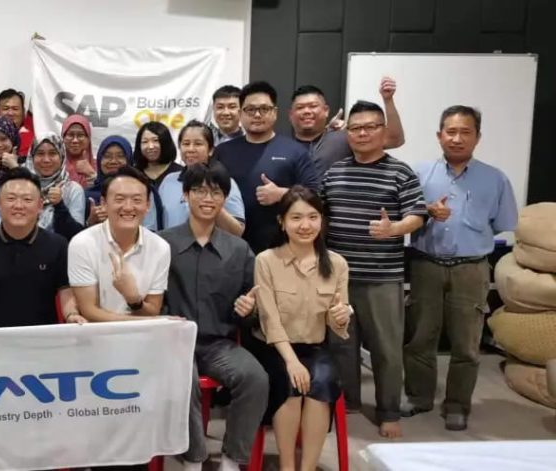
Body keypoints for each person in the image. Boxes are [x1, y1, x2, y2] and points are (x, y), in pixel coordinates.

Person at [404, 105, 518, 431]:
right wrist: (426, 212)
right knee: (420, 337)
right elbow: (405, 215)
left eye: (465, 132)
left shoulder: (495, 179)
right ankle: (419, 397)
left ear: (477, 137)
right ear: (439, 135)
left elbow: (501, 223)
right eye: (450, 131)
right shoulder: (419, 174)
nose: (457, 138)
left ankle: (457, 404)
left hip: (471, 268)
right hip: (426, 264)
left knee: (467, 343)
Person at [321, 100, 427, 438]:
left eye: (370, 127)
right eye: (355, 128)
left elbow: (417, 215)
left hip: (382, 277)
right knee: (342, 345)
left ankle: (389, 411)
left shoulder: (400, 172)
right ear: (347, 134)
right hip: (338, 278)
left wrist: (394, 229)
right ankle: (349, 402)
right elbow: (318, 212)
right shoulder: (335, 172)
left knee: (386, 348)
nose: (362, 133)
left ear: (383, 131)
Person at [159, 164, 267, 471]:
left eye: (216, 192)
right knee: (183, 381)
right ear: (185, 195)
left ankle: (231, 460)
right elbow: (153, 300)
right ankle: (194, 460)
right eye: (199, 191)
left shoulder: (239, 250)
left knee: (255, 378)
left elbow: (251, 307)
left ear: (225, 199)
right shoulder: (162, 244)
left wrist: (248, 311)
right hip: (174, 342)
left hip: (219, 343)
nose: (208, 199)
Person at [251, 186, 351, 471]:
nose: (305, 225)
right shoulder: (266, 261)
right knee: (291, 383)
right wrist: (292, 361)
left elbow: (338, 321)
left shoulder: (337, 264)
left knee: (322, 382)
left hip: (315, 346)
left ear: (322, 221)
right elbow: (269, 319)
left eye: (312, 217)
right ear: (282, 222)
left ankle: (307, 467)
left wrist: (341, 316)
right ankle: (287, 466)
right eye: (296, 218)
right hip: (274, 347)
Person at [0, 168, 83, 328]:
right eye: (11, 198)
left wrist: (71, 315)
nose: (18, 206)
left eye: (27, 199)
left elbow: (66, 293)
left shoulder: (58, 245)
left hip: (42, 336)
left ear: (40, 205)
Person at [216, 81, 320, 254]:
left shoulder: (295, 151)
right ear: (241, 114)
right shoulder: (223, 152)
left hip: (282, 249)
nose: (257, 115)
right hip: (230, 249)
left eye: (264, 109)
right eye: (250, 109)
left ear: (275, 113)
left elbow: (315, 196)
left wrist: (282, 194)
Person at [69, 166, 169, 323]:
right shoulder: (82, 244)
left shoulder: (160, 247)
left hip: (142, 336)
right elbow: (89, 311)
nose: (128, 207)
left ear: (148, 205)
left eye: (137, 200)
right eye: (119, 199)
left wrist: (133, 299)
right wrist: (159, 321)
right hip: (97, 335)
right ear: (104, 203)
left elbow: (153, 310)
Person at [290, 79, 406, 177]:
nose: (307, 111)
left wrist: (388, 100)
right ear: (290, 114)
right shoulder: (284, 146)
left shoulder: (346, 137)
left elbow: (395, 140)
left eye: (313, 106)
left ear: (326, 111)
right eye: (300, 107)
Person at [156, 120, 246, 235]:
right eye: (186, 144)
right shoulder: (168, 181)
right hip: (170, 245)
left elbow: (238, 231)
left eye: (198, 144)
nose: (191, 149)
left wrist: (213, 203)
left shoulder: (224, 182)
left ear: (211, 150)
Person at [0, 135, 86, 238]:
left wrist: (59, 205)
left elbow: (76, 235)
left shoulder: (73, 190)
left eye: (52, 153)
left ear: (62, 156)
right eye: (40, 154)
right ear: (32, 156)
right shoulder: (15, 186)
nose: (46, 160)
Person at [132, 121, 183, 188]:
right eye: (145, 142)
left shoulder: (180, 173)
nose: (150, 146)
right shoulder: (133, 174)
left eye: (156, 140)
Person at [62, 114, 98, 187]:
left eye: (80, 135)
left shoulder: (100, 167)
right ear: (63, 138)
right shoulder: (54, 167)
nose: (75, 140)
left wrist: (92, 175)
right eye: (70, 135)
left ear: (88, 139)